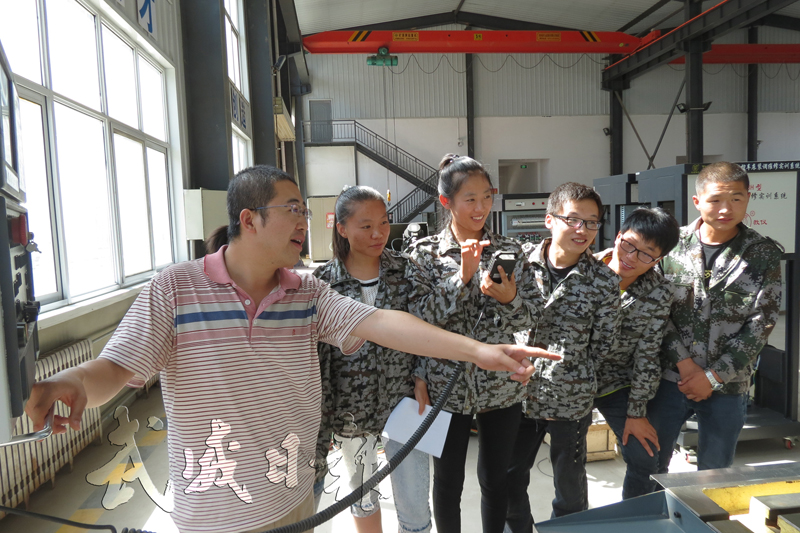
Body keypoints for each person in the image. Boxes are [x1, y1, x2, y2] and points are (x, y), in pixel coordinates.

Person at [24, 165, 559, 533]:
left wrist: (479, 352)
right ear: (249, 219)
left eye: (305, 210)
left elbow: (382, 323)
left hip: (290, 497)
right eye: (292, 209)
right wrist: (75, 381)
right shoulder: (177, 288)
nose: (304, 222)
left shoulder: (306, 293)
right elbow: (116, 366)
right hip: (213, 510)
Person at [406, 155, 541, 533]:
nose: (481, 207)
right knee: (448, 481)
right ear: (446, 201)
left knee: (496, 480)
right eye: (470, 199)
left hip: (500, 386)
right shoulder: (424, 254)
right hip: (445, 384)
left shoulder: (511, 251)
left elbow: (531, 317)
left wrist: (510, 299)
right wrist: (461, 279)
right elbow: (417, 321)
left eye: (487, 197)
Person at [648, 162, 783, 473]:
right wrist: (686, 365)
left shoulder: (762, 253)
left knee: (716, 473)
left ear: (748, 198)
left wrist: (713, 377)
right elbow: (655, 311)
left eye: (736, 198)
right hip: (669, 378)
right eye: (716, 200)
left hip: (728, 384)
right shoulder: (670, 246)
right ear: (697, 201)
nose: (726, 209)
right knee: (650, 466)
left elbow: (762, 322)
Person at [313, 185, 432, 533]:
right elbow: (318, 356)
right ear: (341, 228)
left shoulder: (408, 271)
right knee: (362, 497)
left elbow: (428, 328)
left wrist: (422, 375)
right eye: (366, 226)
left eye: (383, 223)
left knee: (414, 503)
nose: (378, 233)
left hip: (405, 402)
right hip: (351, 410)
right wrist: (324, 414)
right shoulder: (324, 283)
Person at [506, 182, 620, 532]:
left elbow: (603, 344)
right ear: (549, 220)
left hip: (570, 400)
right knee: (509, 479)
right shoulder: (517, 264)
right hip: (516, 393)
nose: (581, 229)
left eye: (591, 222)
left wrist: (571, 369)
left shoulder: (603, 281)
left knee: (569, 486)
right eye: (572, 219)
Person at [592, 207, 679, 499]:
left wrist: (636, 413)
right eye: (629, 245)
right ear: (618, 236)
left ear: (658, 259)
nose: (631, 257)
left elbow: (648, 353)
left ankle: (634, 516)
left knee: (646, 458)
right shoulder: (584, 270)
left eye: (646, 254)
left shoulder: (659, 292)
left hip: (616, 382)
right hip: (571, 379)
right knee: (566, 461)